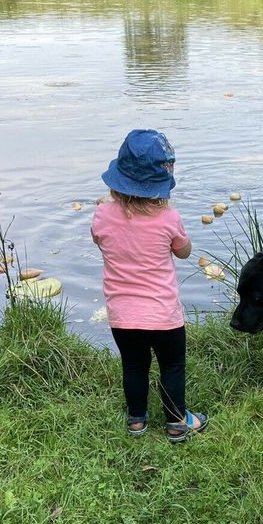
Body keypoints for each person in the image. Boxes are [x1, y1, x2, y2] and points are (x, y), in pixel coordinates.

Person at [91, 129, 208, 442]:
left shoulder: (102, 214)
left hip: (122, 314)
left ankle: (137, 422)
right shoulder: (169, 218)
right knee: (172, 366)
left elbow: (100, 241)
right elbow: (184, 252)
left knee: (134, 366)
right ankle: (176, 423)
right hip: (163, 315)